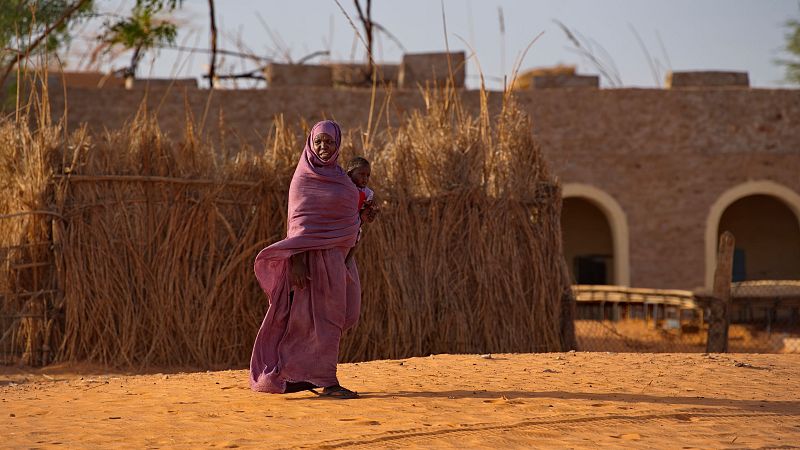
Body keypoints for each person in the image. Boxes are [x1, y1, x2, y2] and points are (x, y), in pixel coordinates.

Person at [249, 120, 362, 399]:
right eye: (319, 142)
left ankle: (303, 376)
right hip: (307, 265)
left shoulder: (344, 182)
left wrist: (362, 220)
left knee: (339, 316)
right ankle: (327, 381)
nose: (324, 147)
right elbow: (297, 224)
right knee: (307, 322)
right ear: (311, 144)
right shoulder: (301, 179)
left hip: (336, 262)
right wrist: (296, 261)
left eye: (330, 142)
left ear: (338, 145)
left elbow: (351, 222)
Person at [345, 156, 378, 264]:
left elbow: (367, 210)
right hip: (343, 221)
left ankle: (349, 258)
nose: (365, 178)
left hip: (355, 221)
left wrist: (369, 207)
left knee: (357, 235)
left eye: (368, 175)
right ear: (350, 174)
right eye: (361, 174)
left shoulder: (368, 193)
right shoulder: (344, 187)